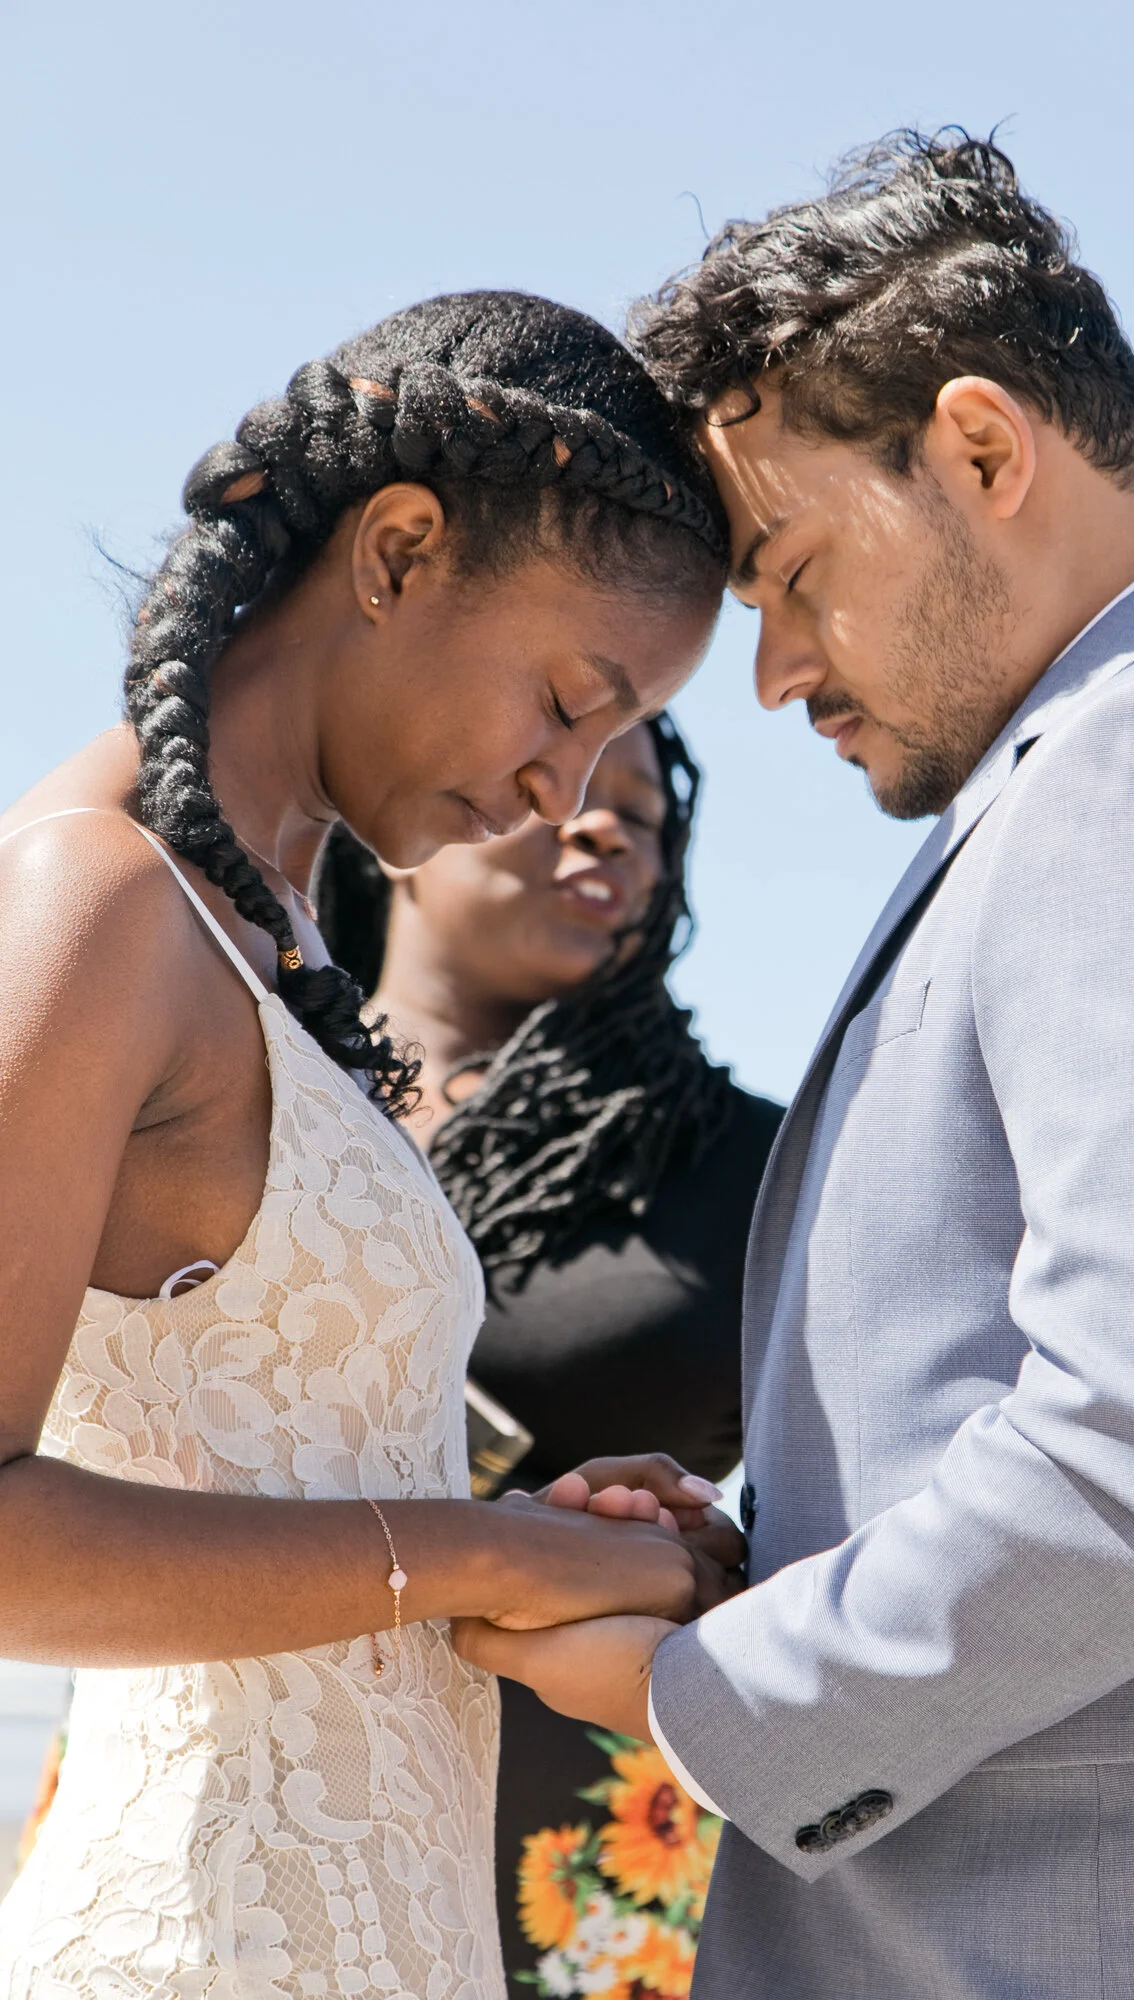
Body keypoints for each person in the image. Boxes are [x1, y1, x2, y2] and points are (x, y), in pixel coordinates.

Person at [455, 134, 1134, 1999]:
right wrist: (763, 1555)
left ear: (982, 450)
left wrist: (701, 1690)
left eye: (788, 574)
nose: (772, 673)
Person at [0, 289, 746, 2000]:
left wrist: (553, 1543)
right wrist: (485, 1549)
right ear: (399, 553)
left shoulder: (272, 948)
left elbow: (260, 1495)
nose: (565, 795)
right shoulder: (93, 901)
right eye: (566, 702)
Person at [316, 711, 781, 1995]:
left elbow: (850, 1527)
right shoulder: (241, 1091)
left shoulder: (755, 1166)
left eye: (643, 815)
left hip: (576, 1872)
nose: (609, 829)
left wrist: (702, 1562)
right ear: (398, 823)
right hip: (219, 1794)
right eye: (563, 783)